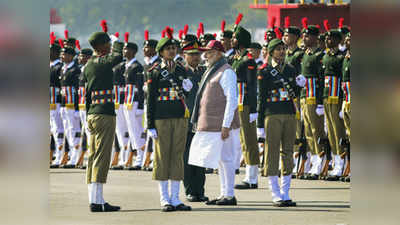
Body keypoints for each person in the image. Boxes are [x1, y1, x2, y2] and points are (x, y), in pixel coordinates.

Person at [146, 28, 193, 212]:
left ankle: (175, 197)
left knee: (177, 156)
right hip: (162, 118)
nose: (172, 51)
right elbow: (150, 99)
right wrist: (150, 124)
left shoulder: (182, 69)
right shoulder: (155, 71)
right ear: (161, 52)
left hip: (179, 117)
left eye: (174, 48)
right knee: (162, 157)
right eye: (168, 49)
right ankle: (164, 198)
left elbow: (184, 94)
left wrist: (188, 88)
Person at [188, 40, 240, 206]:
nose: (205, 55)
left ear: (218, 53)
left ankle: (230, 195)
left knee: (227, 159)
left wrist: (226, 125)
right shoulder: (213, 70)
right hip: (213, 124)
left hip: (222, 124)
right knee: (220, 160)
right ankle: (224, 193)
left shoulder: (226, 72)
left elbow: (232, 100)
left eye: (209, 52)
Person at [257, 38, 299, 207]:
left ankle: (286, 192)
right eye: (278, 49)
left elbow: (294, 92)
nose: (282, 51)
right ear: (271, 52)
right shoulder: (265, 71)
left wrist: (300, 85)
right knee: (272, 152)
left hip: (289, 113)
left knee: (288, 152)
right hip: (272, 114)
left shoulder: (291, 69)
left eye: (283, 48)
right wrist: (260, 124)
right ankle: (275, 193)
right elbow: (261, 99)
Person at [84, 29, 123, 212]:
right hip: (104, 114)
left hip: (92, 114)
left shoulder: (89, 64)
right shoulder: (101, 62)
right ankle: (97, 201)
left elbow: (86, 94)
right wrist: (117, 42)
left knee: (93, 156)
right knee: (102, 157)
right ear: (100, 46)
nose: (109, 45)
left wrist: (86, 116)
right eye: (106, 42)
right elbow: (117, 57)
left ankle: (94, 198)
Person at [231, 25, 260, 189]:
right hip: (237, 104)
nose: (232, 40)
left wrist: (254, 109)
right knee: (242, 140)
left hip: (246, 105)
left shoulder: (248, 61)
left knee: (249, 140)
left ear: (240, 41)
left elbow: (252, 85)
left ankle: (252, 177)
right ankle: (249, 175)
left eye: (235, 38)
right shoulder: (236, 59)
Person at [181, 40, 209, 202]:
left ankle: (200, 190)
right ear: (185, 56)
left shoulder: (204, 72)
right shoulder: (182, 72)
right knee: (187, 156)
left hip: (203, 119)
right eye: (192, 55)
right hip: (187, 119)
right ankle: (190, 189)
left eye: (198, 54)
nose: (196, 57)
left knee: (201, 156)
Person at [299, 24, 326, 180]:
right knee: (308, 132)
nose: (304, 38)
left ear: (316, 38)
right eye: (304, 35)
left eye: (308, 36)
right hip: (304, 97)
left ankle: (320, 162)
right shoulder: (306, 54)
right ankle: (314, 160)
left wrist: (321, 102)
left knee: (317, 131)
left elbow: (322, 80)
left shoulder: (319, 56)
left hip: (314, 98)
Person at [321, 24, 346, 181]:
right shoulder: (325, 57)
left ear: (338, 40)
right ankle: (336, 162)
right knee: (330, 132)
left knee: (339, 132)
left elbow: (344, 81)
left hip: (337, 98)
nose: (328, 40)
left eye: (331, 38)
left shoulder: (341, 58)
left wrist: (343, 102)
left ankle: (341, 164)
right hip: (326, 98)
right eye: (327, 38)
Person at [122, 37, 146, 170]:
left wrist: (141, 106)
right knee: (131, 131)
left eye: (127, 49)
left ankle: (140, 157)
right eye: (124, 48)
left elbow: (140, 88)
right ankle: (137, 156)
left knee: (137, 131)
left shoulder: (136, 67)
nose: (124, 51)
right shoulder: (127, 66)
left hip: (135, 103)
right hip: (128, 102)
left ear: (133, 51)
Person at [59, 46, 82, 168]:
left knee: (74, 131)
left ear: (71, 56)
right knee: (68, 131)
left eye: (65, 54)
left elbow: (78, 91)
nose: (62, 56)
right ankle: (71, 155)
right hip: (64, 105)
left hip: (72, 105)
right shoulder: (64, 69)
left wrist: (77, 109)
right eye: (62, 54)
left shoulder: (75, 70)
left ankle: (75, 156)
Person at [142, 32, 160, 171]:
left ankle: (153, 158)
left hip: (155, 100)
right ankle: (147, 158)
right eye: (145, 47)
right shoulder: (147, 63)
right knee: (149, 130)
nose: (145, 49)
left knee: (155, 130)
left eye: (148, 47)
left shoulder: (157, 63)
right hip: (147, 99)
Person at [76, 48, 93, 169]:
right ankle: (84, 157)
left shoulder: (89, 69)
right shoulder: (82, 69)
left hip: (88, 105)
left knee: (90, 132)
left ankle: (91, 158)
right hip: (81, 105)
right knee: (85, 133)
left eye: (82, 56)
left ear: (88, 57)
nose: (79, 58)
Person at [49, 39, 65, 168]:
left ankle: (60, 155)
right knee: (51, 130)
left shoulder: (59, 67)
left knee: (58, 130)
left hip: (57, 103)